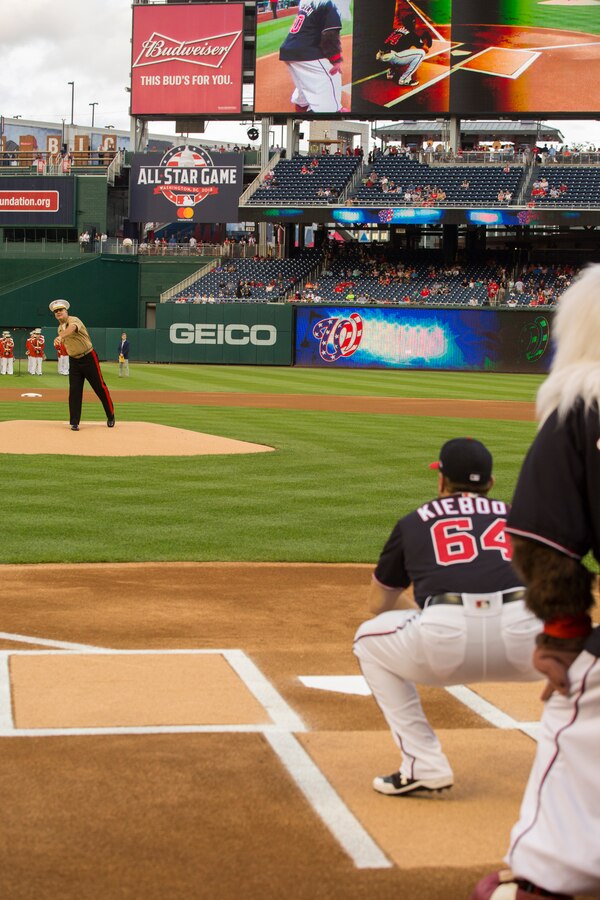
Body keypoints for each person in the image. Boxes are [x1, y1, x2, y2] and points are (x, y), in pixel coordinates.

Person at [471, 266, 600, 900]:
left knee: (571, 735)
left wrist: (562, 640)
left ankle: (540, 882)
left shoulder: (582, 401)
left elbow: (543, 543)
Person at [353, 438, 542, 797]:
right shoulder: (521, 518)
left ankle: (423, 765)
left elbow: (379, 602)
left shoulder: (414, 522)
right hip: (525, 644)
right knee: (585, 653)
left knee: (367, 639)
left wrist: (434, 617)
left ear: (441, 481)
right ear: (490, 483)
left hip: (445, 643)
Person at [48, 299, 115, 431]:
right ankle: (74, 422)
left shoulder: (74, 320)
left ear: (66, 311)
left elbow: (72, 329)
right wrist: (60, 342)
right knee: (74, 391)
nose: (58, 312)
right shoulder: (59, 328)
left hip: (89, 357)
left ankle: (111, 415)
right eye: (56, 311)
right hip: (74, 361)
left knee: (100, 387)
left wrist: (61, 337)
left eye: (60, 310)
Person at [279, 0, 345, 113]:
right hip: (307, 52)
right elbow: (330, 36)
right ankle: (333, 111)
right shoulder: (330, 4)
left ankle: (301, 110)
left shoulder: (311, 2)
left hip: (289, 50)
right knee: (333, 78)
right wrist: (336, 60)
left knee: (304, 92)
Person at [376, 14, 432, 87]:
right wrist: (423, 42)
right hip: (392, 56)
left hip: (380, 55)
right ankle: (404, 80)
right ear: (413, 24)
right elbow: (426, 50)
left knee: (403, 53)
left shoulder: (397, 30)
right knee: (421, 53)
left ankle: (391, 73)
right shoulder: (412, 35)